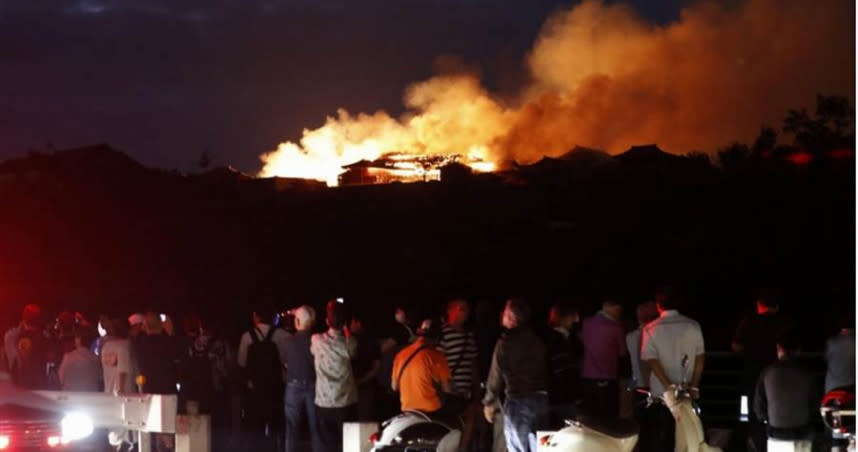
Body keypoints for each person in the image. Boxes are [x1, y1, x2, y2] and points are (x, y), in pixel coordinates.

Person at [640, 290, 705, 452]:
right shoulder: (693, 325)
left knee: (661, 441)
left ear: (658, 305)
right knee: (686, 441)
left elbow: (652, 361)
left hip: (661, 396)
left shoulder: (650, 329)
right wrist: (695, 385)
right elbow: (700, 358)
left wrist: (668, 385)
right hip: (687, 393)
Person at [483, 298, 548, 452]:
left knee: (517, 448)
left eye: (505, 313)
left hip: (518, 401)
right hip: (541, 400)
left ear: (511, 318)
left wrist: (489, 402)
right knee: (541, 448)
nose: (502, 315)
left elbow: (495, 376)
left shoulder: (505, 343)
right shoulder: (537, 340)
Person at [754, 329, 821, 445]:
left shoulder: (767, 372)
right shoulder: (807, 374)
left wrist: (770, 418)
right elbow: (815, 406)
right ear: (799, 350)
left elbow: (758, 409)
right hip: (802, 430)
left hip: (775, 430)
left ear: (778, 348)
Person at [732, 292, 792, 420]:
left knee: (753, 407)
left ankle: (754, 434)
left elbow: (736, 346)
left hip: (753, 371)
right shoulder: (783, 323)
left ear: (759, 306)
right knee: (777, 405)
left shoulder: (748, 321)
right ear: (776, 306)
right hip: (778, 373)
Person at [237, 306, 289, 452]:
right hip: (275, 388)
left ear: (255, 316)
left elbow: (241, 362)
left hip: (255, 388)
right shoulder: (282, 335)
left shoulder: (247, 336)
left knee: (256, 426)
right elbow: (287, 362)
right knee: (275, 425)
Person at [311, 301, 357, 452]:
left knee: (327, 445)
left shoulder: (316, 340)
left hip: (323, 402)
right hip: (346, 402)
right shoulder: (349, 343)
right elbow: (353, 350)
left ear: (326, 321)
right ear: (344, 323)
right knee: (347, 444)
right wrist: (347, 330)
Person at [391, 320, 460, 417]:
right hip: (431, 409)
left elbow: (394, 387)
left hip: (407, 409)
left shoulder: (400, 355)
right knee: (468, 408)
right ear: (436, 338)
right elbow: (447, 389)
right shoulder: (437, 356)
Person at [439, 299, 479, 451]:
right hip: (448, 391)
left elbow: (473, 364)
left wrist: (476, 391)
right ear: (451, 311)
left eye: (467, 309)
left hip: (465, 392)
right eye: (461, 309)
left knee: (469, 419)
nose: (466, 313)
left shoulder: (469, 336)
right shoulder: (443, 333)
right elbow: (438, 362)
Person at [578, 298, 626, 417]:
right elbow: (623, 352)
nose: (619, 313)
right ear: (610, 307)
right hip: (608, 377)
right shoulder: (616, 327)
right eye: (618, 309)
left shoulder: (586, 322)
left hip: (588, 376)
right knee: (608, 415)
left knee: (591, 415)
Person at [282, 305, 319, 452]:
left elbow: (285, 363)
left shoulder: (288, 341)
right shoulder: (316, 340)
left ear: (297, 321)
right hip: (313, 385)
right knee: (315, 427)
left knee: (291, 428)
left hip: (293, 385)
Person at [545, 302, 583, 427]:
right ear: (565, 317)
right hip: (563, 396)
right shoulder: (558, 340)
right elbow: (563, 371)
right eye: (573, 316)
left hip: (558, 395)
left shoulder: (560, 338)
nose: (576, 319)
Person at [5, 304, 51, 389]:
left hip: (38, 382)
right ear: (24, 315)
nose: (32, 317)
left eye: (35, 315)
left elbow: (48, 358)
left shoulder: (44, 336)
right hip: (20, 381)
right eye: (30, 314)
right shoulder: (12, 335)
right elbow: (12, 360)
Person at [350, 312, 381, 423]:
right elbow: (376, 367)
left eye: (352, 322)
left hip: (357, 387)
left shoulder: (350, 341)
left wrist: (359, 381)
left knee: (354, 422)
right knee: (365, 421)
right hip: (366, 385)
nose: (350, 325)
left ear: (359, 323)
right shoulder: (373, 341)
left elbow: (376, 367)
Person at [58, 327, 101, 391]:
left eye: (76, 337)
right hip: (90, 397)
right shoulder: (96, 359)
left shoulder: (68, 357)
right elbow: (100, 378)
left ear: (78, 339)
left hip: (71, 396)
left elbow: (61, 377)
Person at [824, 324, 855, 392]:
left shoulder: (831, 342)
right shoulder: (853, 342)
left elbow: (826, 358)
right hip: (850, 387)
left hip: (832, 387)